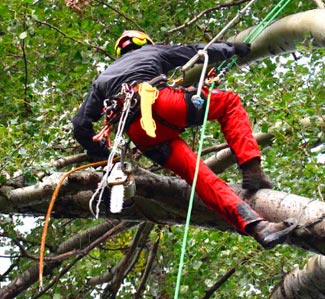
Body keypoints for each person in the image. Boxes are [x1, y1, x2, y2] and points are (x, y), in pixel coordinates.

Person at [72, 30, 297, 249]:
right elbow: (195, 52)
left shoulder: (102, 80)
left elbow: (80, 125)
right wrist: (232, 49)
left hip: (141, 133)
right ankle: (252, 170)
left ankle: (258, 228)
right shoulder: (151, 52)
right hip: (162, 102)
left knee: (198, 176)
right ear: (144, 42)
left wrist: (102, 152)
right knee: (229, 103)